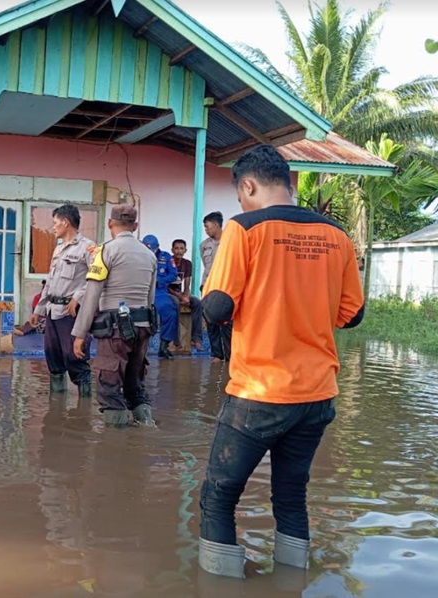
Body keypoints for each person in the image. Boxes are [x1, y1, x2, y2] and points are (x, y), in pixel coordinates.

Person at [198, 145, 365, 578]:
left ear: (248, 186)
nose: (241, 203)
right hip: (318, 396)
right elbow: (353, 315)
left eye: (240, 195)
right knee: (291, 494)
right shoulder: (337, 235)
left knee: (219, 495)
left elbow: (216, 308)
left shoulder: (244, 228)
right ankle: (292, 585)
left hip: (259, 392)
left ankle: (217, 586)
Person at [72, 205, 157, 427]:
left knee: (109, 386)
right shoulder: (149, 255)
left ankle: (116, 446)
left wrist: (80, 334)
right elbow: (150, 297)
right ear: (135, 226)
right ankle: (147, 427)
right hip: (143, 327)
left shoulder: (104, 251)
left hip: (115, 330)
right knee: (135, 384)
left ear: (110, 223)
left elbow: (92, 296)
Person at [31, 204, 96, 396]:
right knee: (54, 358)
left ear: (66, 222)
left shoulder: (89, 248)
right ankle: (56, 411)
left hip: (71, 313)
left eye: (55, 223)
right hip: (53, 310)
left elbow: (96, 278)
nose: (52, 227)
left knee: (75, 357)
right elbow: (50, 282)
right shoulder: (58, 249)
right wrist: (38, 310)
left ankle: (83, 411)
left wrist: (78, 297)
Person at [200, 212, 232, 361]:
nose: (206, 230)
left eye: (207, 226)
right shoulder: (204, 245)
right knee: (210, 322)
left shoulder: (230, 242)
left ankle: (229, 356)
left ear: (216, 225)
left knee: (227, 323)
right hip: (208, 287)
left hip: (225, 287)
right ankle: (216, 355)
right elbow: (206, 266)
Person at [141, 235, 177, 359]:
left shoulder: (166, 257)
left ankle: (164, 345)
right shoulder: (138, 256)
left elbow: (173, 274)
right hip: (141, 291)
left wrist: (159, 280)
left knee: (170, 312)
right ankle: (139, 349)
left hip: (159, 291)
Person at [169, 239, 205, 351]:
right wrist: (180, 297)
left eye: (181, 248)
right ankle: (177, 341)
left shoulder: (187, 264)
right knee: (175, 303)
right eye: (176, 248)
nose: (179, 251)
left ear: (185, 250)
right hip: (169, 293)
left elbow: (187, 284)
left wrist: (186, 296)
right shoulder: (167, 263)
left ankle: (196, 338)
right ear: (172, 250)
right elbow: (165, 286)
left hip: (180, 294)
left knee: (197, 302)